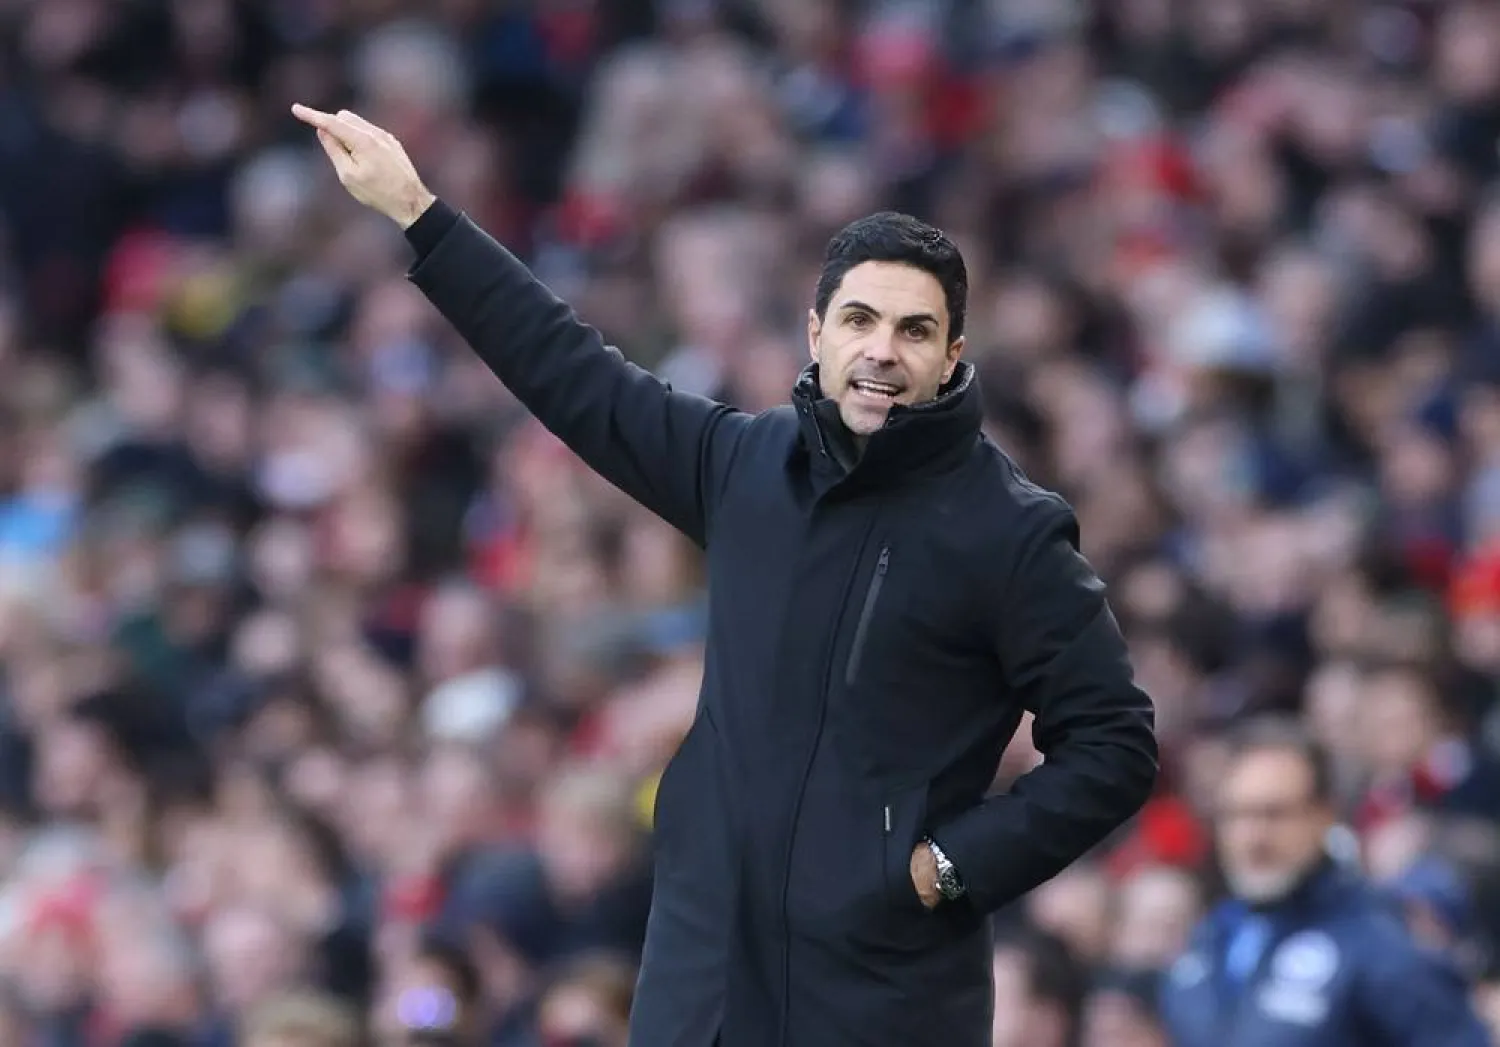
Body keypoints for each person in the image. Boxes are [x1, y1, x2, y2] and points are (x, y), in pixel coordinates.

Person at [292, 104, 1159, 1047]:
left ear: (953, 355)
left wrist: (948, 865)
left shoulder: (1011, 533)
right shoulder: (745, 467)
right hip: (701, 978)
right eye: (861, 320)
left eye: (916, 331)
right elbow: (574, 375)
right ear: (816, 329)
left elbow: (1113, 741)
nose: (882, 350)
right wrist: (421, 213)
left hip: (882, 998)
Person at [1159, 717, 1491, 1047]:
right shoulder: (1208, 939)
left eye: (1274, 813)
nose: (1252, 836)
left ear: (1324, 815)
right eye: (1235, 814)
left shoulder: (1381, 941)